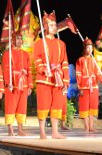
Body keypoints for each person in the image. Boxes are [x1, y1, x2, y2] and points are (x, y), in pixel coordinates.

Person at [34, 11, 69, 139]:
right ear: (46, 27)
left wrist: (66, 80)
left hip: (58, 79)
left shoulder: (61, 44)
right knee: (43, 104)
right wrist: (43, 69)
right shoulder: (39, 43)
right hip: (44, 79)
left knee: (57, 104)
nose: (55, 27)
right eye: (52, 25)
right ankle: (42, 131)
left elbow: (65, 62)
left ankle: (55, 132)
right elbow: (37, 59)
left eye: (55, 25)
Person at [2, 32, 33, 136]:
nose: (20, 41)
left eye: (21, 39)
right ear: (13, 40)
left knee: (22, 106)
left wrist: (30, 85)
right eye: (18, 39)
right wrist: (7, 82)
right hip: (12, 83)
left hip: (23, 83)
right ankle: (10, 129)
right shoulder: (7, 54)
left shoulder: (25, 54)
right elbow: (6, 69)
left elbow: (29, 70)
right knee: (11, 106)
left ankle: (20, 129)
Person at [76, 37, 102, 132]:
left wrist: (101, 79)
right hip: (84, 86)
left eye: (91, 48)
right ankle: (86, 126)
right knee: (84, 106)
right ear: (84, 48)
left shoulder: (94, 61)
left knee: (93, 106)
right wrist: (80, 87)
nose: (89, 50)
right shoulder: (80, 60)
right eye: (87, 48)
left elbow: (97, 72)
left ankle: (91, 126)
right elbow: (78, 74)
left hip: (93, 86)